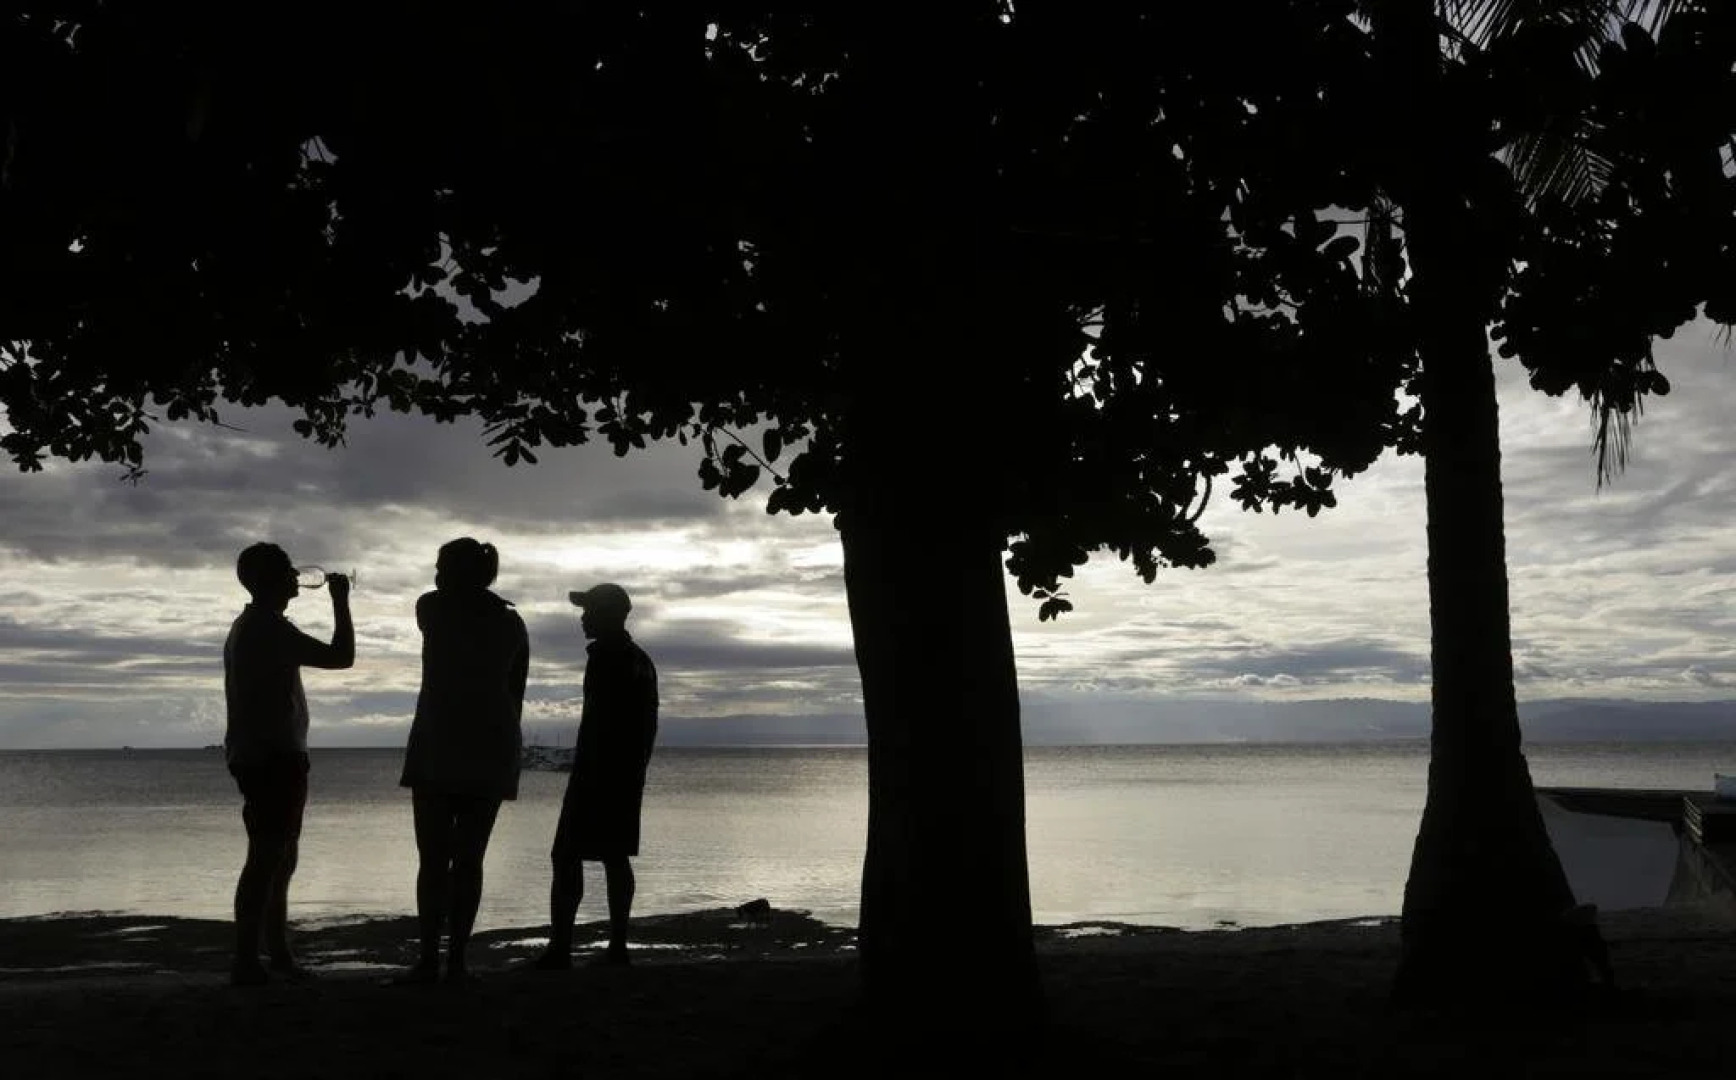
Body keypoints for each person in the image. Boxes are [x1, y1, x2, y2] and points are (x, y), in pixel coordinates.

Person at [395, 538, 529, 984]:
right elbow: (517, 694)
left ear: (449, 572)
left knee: (433, 859)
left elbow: (436, 598)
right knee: (469, 859)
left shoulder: (431, 608)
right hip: (491, 745)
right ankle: (455, 961)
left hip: (438, 744)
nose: (434, 573)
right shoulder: (510, 622)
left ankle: (433, 958)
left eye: (439, 566)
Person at [223, 543, 353, 986]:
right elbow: (342, 656)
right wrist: (341, 602)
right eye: (285, 570)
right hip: (272, 756)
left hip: (264, 753)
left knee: (279, 858)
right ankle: (249, 960)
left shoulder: (257, 625)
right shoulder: (265, 627)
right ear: (265, 580)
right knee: (267, 857)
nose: (295, 576)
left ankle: (276, 953)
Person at [532, 582, 658, 969]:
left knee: (567, 855)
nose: (583, 617)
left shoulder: (612, 656)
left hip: (601, 772)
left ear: (609, 615)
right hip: (622, 773)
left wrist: (589, 768)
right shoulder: (634, 657)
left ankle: (561, 951)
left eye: (589, 610)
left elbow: (605, 723)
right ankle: (614, 948)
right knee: (614, 857)